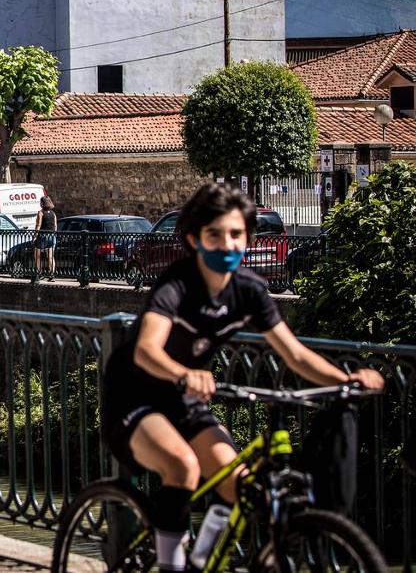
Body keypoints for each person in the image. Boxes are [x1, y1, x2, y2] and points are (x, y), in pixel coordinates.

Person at [100, 183, 383, 573]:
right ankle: (170, 565)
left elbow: (294, 353)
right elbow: (147, 349)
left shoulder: (249, 291)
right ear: (194, 239)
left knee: (241, 487)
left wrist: (347, 381)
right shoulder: (177, 284)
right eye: (214, 235)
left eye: (236, 234)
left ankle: (201, 560)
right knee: (183, 466)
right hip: (135, 395)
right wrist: (185, 374)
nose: (228, 244)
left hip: (184, 401)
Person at [33, 195, 57, 280]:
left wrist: (35, 235)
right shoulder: (53, 214)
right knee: (50, 256)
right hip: (51, 236)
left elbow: (38, 225)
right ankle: (52, 274)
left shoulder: (41, 212)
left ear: (42, 203)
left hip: (42, 236)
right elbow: (55, 226)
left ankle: (38, 273)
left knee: (37, 255)